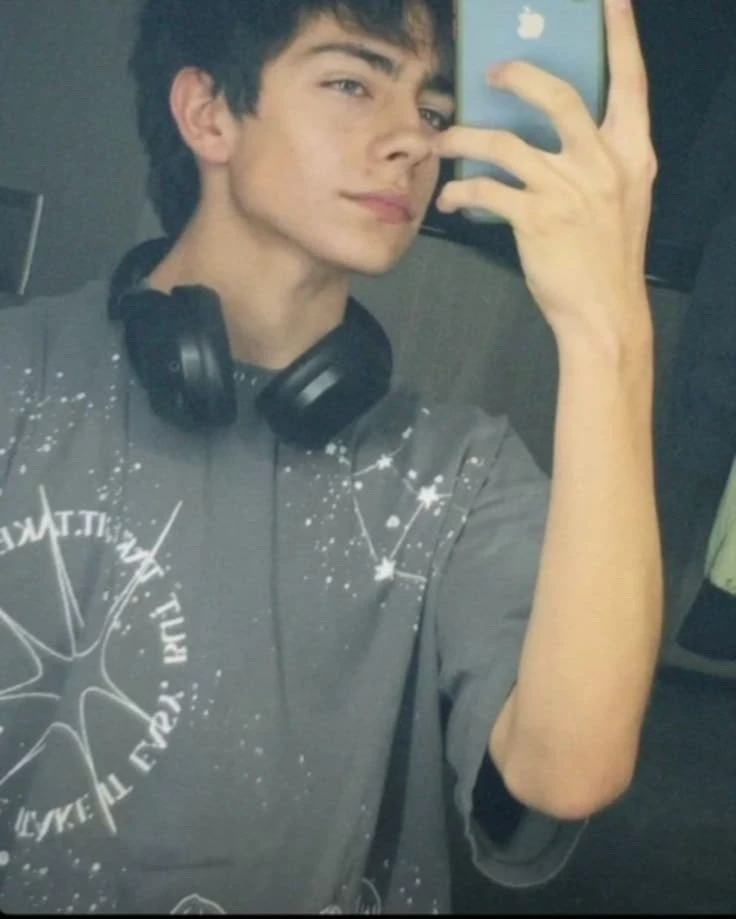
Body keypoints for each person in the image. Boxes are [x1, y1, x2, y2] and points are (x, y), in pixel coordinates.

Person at [0, 0, 662, 912]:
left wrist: (607, 325)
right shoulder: (21, 378)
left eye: (433, 109)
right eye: (353, 83)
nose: (415, 140)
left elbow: (567, 770)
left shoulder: (459, 474)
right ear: (209, 113)